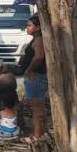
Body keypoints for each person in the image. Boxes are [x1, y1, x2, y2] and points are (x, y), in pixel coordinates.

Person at [20, 15, 48, 144]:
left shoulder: (38, 40)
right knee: (38, 109)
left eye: (29, 25)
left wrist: (29, 70)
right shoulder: (36, 39)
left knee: (37, 110)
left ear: (38, 27)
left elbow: (38, 57)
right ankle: (40, 135)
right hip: (36, 77)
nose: (27, 28)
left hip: (36, 77)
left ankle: (37, 137)